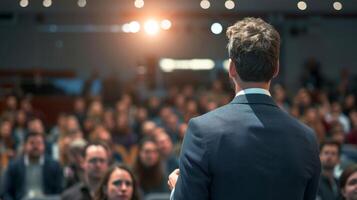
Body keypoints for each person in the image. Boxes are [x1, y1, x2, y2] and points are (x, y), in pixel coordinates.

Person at [168, 17, 321, 200]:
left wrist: (178, 190)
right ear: (276, 69)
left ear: (232, 68)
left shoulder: (202, 130)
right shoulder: (306, 137)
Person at [2, 132, 63, 200]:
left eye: (39, 143)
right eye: (32, 143)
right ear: (25, 146)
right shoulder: (14, 166)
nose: (35, 146)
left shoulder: (54, 166)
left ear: (44, 146)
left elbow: (59, 191)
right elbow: (6, 193)